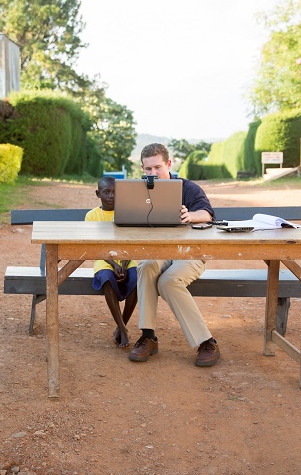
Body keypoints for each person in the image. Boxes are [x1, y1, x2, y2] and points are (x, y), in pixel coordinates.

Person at [127, 143, 220, 367]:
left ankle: (207, 341)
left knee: (168, 281)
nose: (153, 174)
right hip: (159, 252)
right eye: (148, 169)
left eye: (157, 167)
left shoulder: (188, 188)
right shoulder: (138, 190)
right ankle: (148, 336)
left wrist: (191, 216)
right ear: (142, 168)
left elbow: (207, 214)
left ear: (169, 164)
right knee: (146, 265)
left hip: (190, 253)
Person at [85, 175, 139, 347]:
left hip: (127, 258)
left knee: (136, 278)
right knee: (107, 278)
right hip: (104, 259)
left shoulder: (127, 213)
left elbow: (133, 242)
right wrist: (114, 264)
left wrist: (123, 263)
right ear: (97, 193)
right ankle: (122, 329)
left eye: (115, 192)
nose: (111, 196)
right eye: (106, 192)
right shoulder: (92, 216)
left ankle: (122, 325)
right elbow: (93, 247)